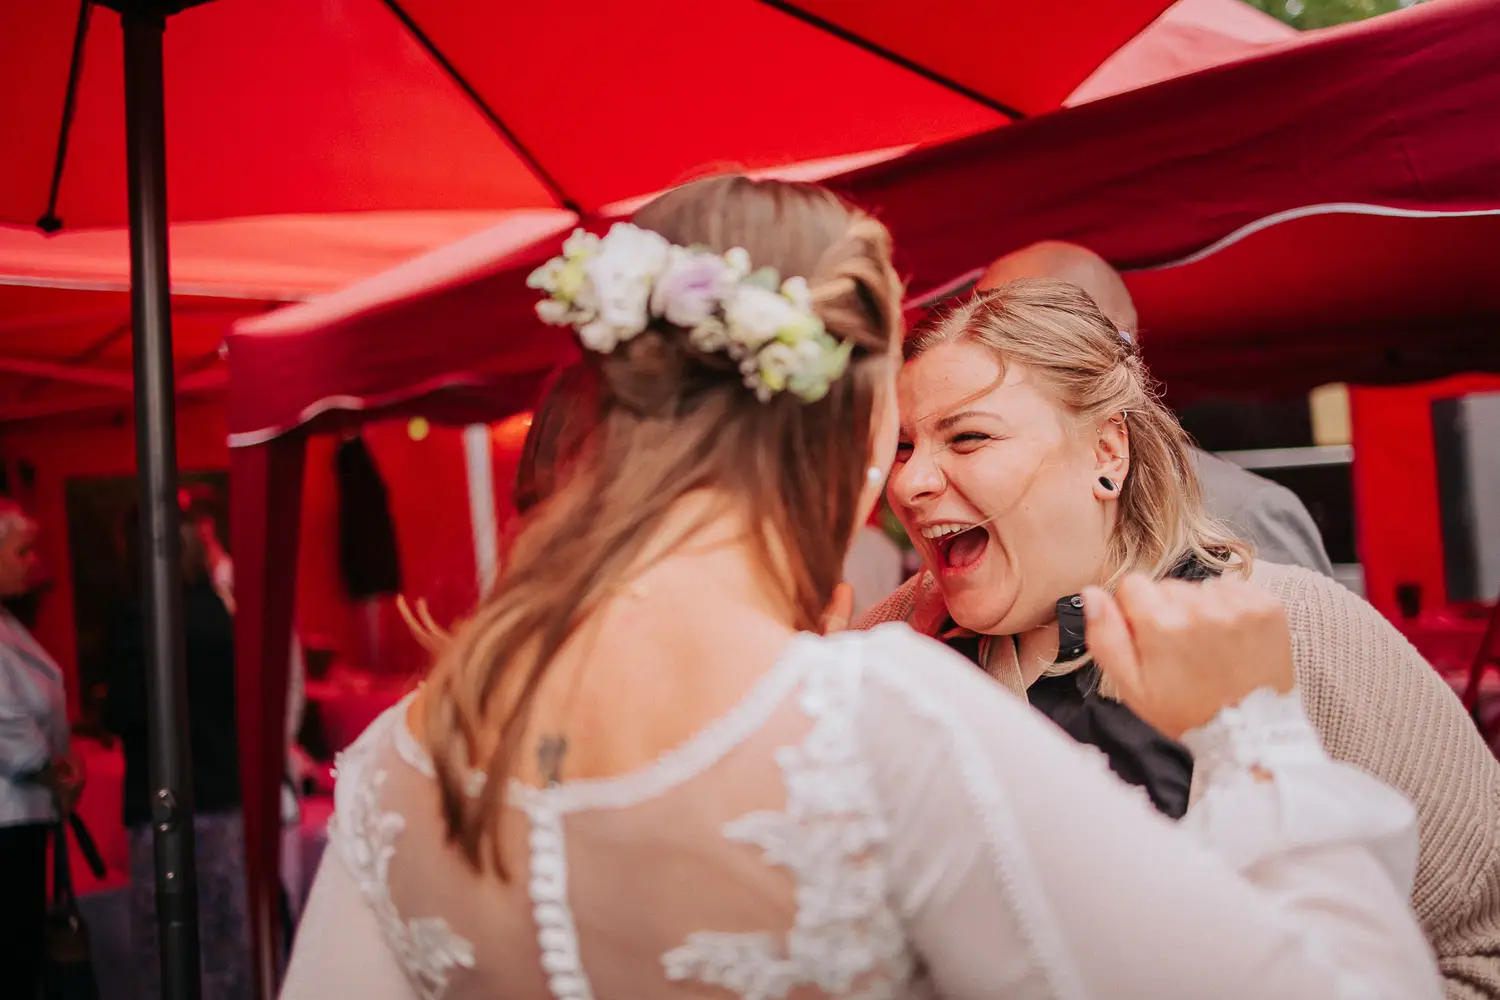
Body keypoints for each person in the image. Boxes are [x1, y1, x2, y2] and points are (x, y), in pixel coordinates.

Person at [281, 176, 1440, 999]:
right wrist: (1253, 731)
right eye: (903, 430)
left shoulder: (399, 763)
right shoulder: (877, 721)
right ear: (848, 434)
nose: (915, 476)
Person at [859, 278, 1500, 998]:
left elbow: (1482, 945)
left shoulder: (1295, 625)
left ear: (1107, 452)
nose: (909, 483)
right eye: (904, 447)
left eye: (967, 437)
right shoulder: (887, 650)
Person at [978, 240, 1335, 576]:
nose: (977, 351)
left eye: (1022, 334)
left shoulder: (1241, 508)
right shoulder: (986, 500)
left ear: (1117, 345)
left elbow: (1301, 621)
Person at [107, 495, 252, 1000]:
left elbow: (126, 712)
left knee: (167, 951)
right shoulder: (217, 612)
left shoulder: (137, 618)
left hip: (163, 804)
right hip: (223, 798)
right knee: (226, 946)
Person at [0, 502, 80, 1000]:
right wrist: (53, 771)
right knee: (13, 961)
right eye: (21, 551)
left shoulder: (8, 622)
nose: (32, 562)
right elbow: (5, 722)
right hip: (6, 821)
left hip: (22, 816)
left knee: (23, 960)